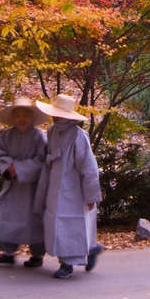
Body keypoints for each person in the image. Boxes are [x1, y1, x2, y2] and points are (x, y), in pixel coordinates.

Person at [32, 93, 103, 280]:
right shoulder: (53, 131)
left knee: (71, 224)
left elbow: (88, 167)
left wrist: (91, 196)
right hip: (55, 185)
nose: (56, 117)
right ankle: (90, 249)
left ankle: (68, 263)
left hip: (74, 188)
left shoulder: (79, 136)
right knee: (55, 222)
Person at [0, 95, 49, 268]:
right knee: (8, 215)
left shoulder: (39, 136)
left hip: (32, 187)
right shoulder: (6, 136)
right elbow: (1, 154)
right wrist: (9, 168)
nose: (21, 119)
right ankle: (8, 251)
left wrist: (22, 168)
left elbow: (42, 159)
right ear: (12, 118)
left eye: (25, 115)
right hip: (13, 185)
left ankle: (37, 255)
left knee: (34, 220)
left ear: (31, 117)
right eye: (17, 116)